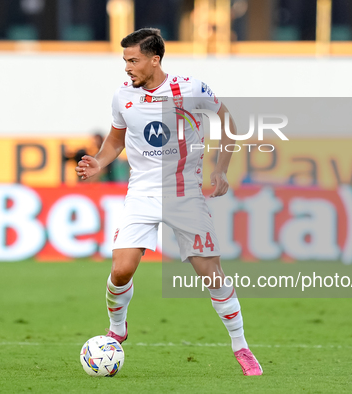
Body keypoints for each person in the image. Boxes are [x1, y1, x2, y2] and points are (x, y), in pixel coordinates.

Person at [75, 28, 262, 376]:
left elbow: (228, 121)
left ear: (155, 59)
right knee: (121, 270)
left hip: (185, 194)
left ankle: (241, 347)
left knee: (212, 276)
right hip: (142, 193)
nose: (127, 67)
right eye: (125, 61)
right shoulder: (122, 96)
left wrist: (220, 169)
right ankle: (118, 326)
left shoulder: (190, 89)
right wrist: (98, 162)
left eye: (133, 60)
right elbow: (115, 140)